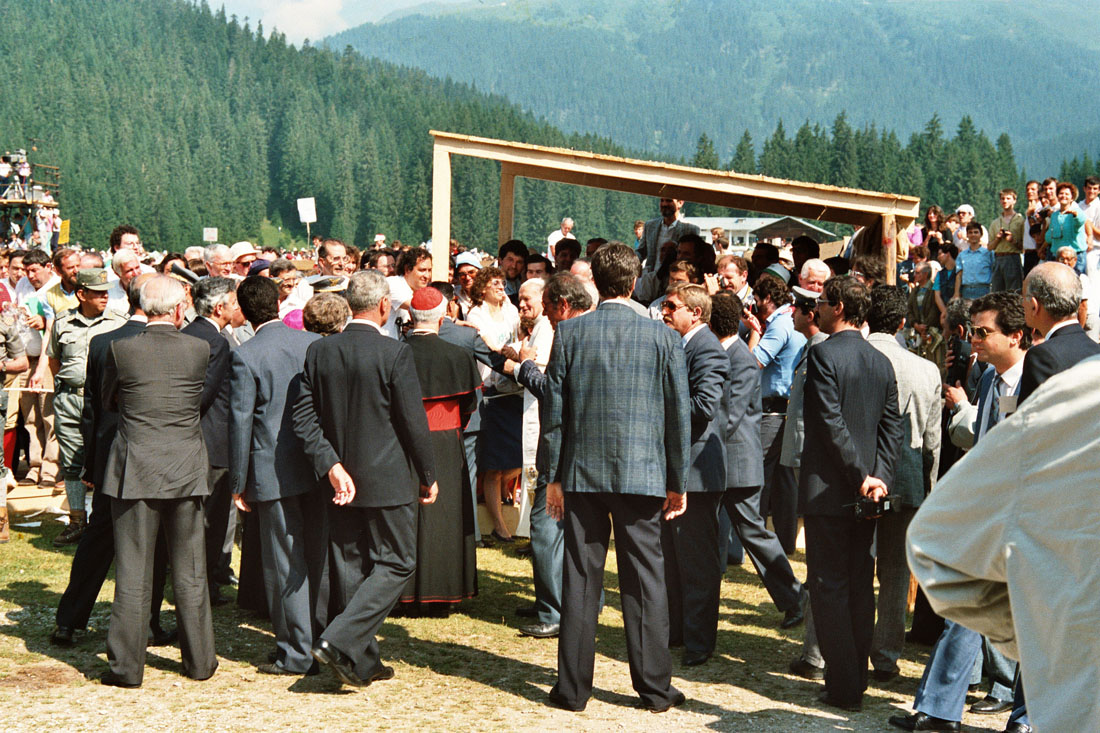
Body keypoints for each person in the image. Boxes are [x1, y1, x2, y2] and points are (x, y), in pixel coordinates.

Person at [908, 353, 1100, 733]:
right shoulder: (1002, 380)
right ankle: (946, 706)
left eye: (983, 333)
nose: (975, 342)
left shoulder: (1066, 376)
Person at [542, 242, 688, 713]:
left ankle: (572, 690)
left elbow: (555, 414)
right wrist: (677, 480)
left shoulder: (570, 334)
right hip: (644, 473)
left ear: (595, 284)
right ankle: (655, 687)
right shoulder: (663, 337)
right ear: (633, 282)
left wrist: (553, 476)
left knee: (581, 579)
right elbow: (677, 416)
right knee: (645, 581)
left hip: (583, 473)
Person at [891, 292, 1031, 733]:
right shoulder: (989, 380)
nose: (974, 340)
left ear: (1017, 335)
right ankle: (938, 711)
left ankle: (1024, 719)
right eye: (973, 331)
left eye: (984, 332)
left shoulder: (1041, 380)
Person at [292, 270, 438, 688]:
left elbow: (303, 417)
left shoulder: (321, 351)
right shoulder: (394, 353)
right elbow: (413, 422)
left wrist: (331, 465)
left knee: (351, 566)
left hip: (338, 478)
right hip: (387, 477)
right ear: (383, 306)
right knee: (396, 562)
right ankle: (339, 642)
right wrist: (429, 473)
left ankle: (362, 660)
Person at [100, 275, 217, 688]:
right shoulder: (199, 348)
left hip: (135, 468)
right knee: (191, 570)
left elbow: (108, 400)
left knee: (133, 573)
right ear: (178, 308)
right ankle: (200, 661)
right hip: (185, 466)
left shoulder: (122, 349)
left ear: (144, 307)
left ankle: (126, 668)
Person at [52, 273, 174, 647]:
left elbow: (91, 408)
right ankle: (149, 622)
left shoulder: (104, 342)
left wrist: (91, 462)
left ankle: (70, 620)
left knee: (98, 538)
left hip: (111, 456)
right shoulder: (170, 343)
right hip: (154, 456)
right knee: (153, 542)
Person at [799, 274, 903, 711]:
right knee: (860, 585)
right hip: (868, 494)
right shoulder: (882, 362)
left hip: (831, 492)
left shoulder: (822, 355)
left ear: (839, 306)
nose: (816, 308)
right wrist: (878, 477)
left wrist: (862, 475)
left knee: (828, 587)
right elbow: (891, 429)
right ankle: (853, 679)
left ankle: (843, 687)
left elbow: (829, 422)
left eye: (822, 301)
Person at [228, 276, 325, 677]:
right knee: (315, 558)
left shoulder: (247, 355)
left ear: (246, 313)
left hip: (271, 469)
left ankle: (296, 652)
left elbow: (240, 423)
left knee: (285, 563)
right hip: (316, 465)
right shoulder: (310, 344)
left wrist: (238, 482)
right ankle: (315, 641)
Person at [710, 291, 805, 630]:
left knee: (753, 532)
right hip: (723, 463)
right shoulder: (729, 354)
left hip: (736, 464)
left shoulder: (740, 359)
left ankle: (795, 597)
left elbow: (730, 416)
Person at [507, 273, 592, 638]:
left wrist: (525, 367)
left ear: (562, 305)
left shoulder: (571, 335)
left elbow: (556, 394)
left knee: (545, 530)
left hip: (563, 451)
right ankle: (558, 600)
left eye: (551, 312)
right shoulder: (593, 329)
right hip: (585, 451)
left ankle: (555, 609)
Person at [865, 286, 941, 683]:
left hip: (861, 474)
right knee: (895, 570)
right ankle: (886, 655)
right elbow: (932, 440)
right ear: (901, 323)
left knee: (853, 561)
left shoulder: (856, 357)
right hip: (907, 474)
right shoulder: (926, 368)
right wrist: (927, 487)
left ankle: (842, 645)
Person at [658, 283, 729, 667]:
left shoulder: (708, 350)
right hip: (678, 469)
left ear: (695, 313)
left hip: (699, 473)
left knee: (698, 563)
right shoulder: (683, 346)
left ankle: (700, 642)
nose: (665, 312)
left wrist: (658, 402)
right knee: (673, 558)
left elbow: (704, 405)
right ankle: (678, 632)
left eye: (671, 306)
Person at [399, 287, 481, 613]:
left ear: (411, 317)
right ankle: (442, 593)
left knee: (407, 515)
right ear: (443, 317)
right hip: (446, 440)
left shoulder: (396, 352)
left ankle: (403, 592)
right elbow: (469, 406)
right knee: (445, 516)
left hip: (403, 442)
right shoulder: (459, 355)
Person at [43, 268, 127, 546]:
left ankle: (108, 523)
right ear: (81, 294)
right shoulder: (62, 322)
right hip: (70, 399)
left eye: (106, 291)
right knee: (71, 460)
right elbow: (55, 361)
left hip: (104, 402)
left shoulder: (117, 322)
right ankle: (77, 520)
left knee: (106, 458)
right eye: (98, 292)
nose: (105, 297)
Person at [181, 278, 239, 604]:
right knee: (211, 520)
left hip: (190, 439)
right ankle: (205, 587)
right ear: (219, 308)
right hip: (213, 441)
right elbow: (206, 394)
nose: (236, 309)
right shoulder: (217, 343)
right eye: (232, 303)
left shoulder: (188, 334)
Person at [745, 275, 806, 554]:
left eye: (757, 300)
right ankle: (785, 540)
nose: (754, 305)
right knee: (783, 480)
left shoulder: (779, 325)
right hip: (782, 409)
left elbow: (753, 362)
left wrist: (754, 332)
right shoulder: (786, 320)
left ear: (768, 299)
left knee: (758, 474)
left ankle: (754, 538)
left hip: (773, 412)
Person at [466, 265, 522, 543]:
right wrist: (507, 354)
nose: (501, 287)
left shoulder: (511, 310)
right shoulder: (476, 313)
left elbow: (520, 335)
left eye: (502, 283)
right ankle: (500, 525)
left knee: (518, 459)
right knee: (495, 464)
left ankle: (504, 500)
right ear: (483, 288)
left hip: (513, 389)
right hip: (490, 389)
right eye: (495, 284)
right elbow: (485, 345)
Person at [1019, 261, 1100, 402]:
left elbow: (1032, 419)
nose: (1021, 304)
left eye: (1023, 297)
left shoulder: (1042, 356)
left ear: (1034, 305)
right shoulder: (1095, 350)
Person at [639, 197, 700, 272]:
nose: (664, 204)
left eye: (669, 201)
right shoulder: (650, 226)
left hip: (676, 278)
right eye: (662, 200)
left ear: (680, 203)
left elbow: (694, 259)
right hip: (651, 278)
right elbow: (641, 252)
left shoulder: (691, 230)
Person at [384, 246, 432, 338]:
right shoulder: (394, 284)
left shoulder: (416, 291)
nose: (427, 275)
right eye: (422, 270)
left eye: (429, 270)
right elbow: (423, 310)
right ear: (407, 269)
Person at [989, 189, 1025, 292]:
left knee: (1013, 292)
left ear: (1014, 200)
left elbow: (1024, 246)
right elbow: (989, 247)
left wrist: (1012, 240)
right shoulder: (995, 222)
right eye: (1002, 198)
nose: (1005, 201)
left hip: (1013, 257)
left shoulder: (1020, 220)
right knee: (997, 293)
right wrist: (997, 238)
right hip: (998, 258)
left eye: (1008, 198)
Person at [954, 222, 994, 301]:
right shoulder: (962, 255)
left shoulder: (988, 253)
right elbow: (959, 275)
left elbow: (994, 272)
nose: (973, 235)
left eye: (976, 232)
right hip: (967, 290)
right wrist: (956, 293)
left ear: (981, 235)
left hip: (984, 290)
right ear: (967, 235)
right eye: (970, 232)